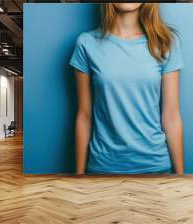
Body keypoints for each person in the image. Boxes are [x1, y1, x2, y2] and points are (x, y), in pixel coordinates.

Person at [70, 3, 185, 175]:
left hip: (155, 168)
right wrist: (78, 177)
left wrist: (181, 177)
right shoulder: (86, 43)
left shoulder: (166, 42)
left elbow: (171, 116)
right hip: (102, 168)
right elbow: (84, 116)